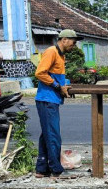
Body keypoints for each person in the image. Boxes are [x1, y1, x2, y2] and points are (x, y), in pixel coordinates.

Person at [34, 29, 80, 178]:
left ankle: (41, 168)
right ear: (64, 39)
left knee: (46, 134)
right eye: (73, 43)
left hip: (51, 98)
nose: (74, 46)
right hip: (47, 99)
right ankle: (56, 169)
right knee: (53, 134)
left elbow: (57, 76)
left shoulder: (61, 55)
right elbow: (40, 73)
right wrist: (57, 86)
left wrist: (64, 86)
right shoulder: (51, 51)